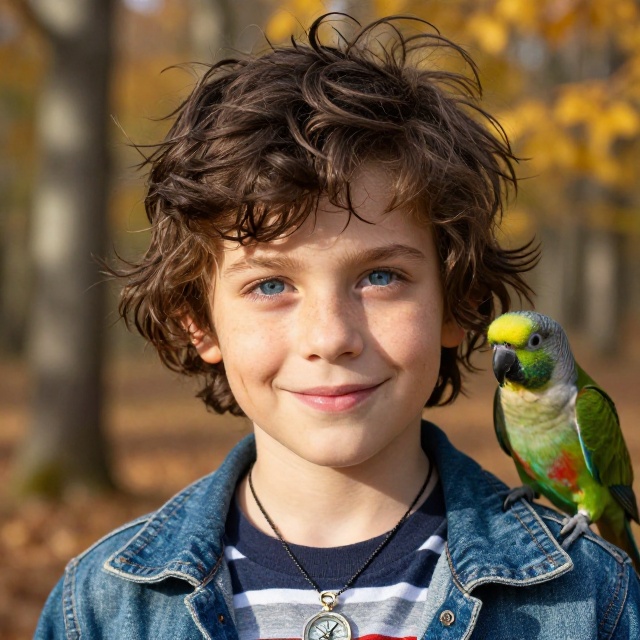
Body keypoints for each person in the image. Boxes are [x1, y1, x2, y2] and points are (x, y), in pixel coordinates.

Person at [36, 13, 639, 639]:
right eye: (270, 285)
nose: (330, 337)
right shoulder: (102, 609)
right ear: (199, 324)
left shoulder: (595, 596)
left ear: (459, 307)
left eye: (380, 277)